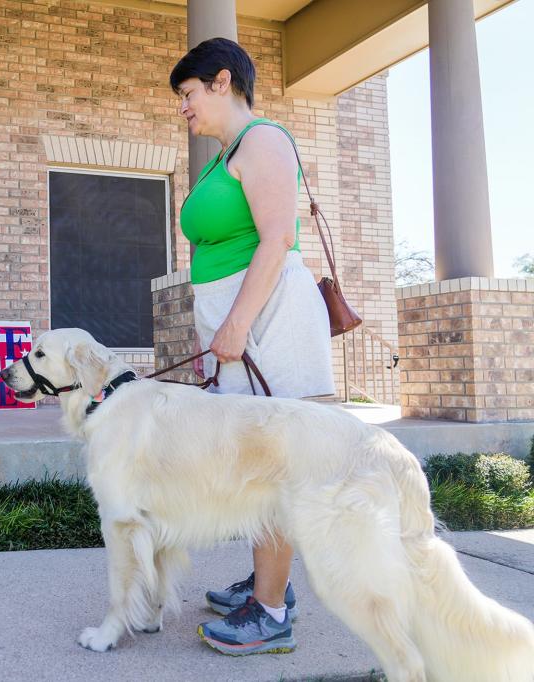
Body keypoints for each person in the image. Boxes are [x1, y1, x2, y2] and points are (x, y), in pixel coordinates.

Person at [169, 37, 335, 656]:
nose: (183, 107)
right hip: (241, 323)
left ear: (219, 81)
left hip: (270, 323)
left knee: (274, 466)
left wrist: (234, 325)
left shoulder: (263, 140)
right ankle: (272, 584)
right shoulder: (225, 154)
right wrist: (214, 324)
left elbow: (275, 240)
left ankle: (270, 612)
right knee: (255, 462)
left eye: (187, 94)